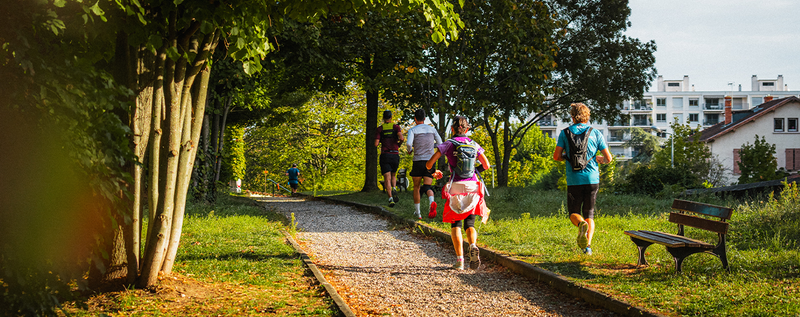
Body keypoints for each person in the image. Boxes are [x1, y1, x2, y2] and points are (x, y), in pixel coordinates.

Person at [426, 116, 491, 271]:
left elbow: (429, 163)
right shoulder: (474, 144)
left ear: (452, 129)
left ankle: (460, 261)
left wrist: (434, 171)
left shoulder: (449, 144)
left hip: (456, 185)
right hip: (473, 186)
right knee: (470, 223)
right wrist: (474, 171)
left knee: (456, 224)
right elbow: (486, 165)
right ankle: (473, 245)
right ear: (467, 130)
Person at [552, 103, 613, 255]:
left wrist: (567, 157)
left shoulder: (565, 133)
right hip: (592, 179)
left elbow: (556, 156)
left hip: (574, 180)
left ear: (572, 116)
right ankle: (588, 247)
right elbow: (608, 158)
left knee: (573, 212)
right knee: (590, 213)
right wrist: (599, 159)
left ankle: (581, 224)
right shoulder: (596, 133)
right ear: (587, 116)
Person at [406, 109, 442, 219]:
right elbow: (440, 143)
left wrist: (410, 150)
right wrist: (432, 146)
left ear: (415, 119)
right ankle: (432, 202)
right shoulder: (432, 129)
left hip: (418, 161)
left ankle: (418, 213)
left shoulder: (412, 130)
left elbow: (408, 143)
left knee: (416, 187)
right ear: (425, 118)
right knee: (427, 186)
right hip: (430, 161)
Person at [375, 110, 405, 207]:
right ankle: (395, 188)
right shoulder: (396, 127)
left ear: (383, 118)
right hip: (394, 154)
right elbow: (402, 138)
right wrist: (398, 145)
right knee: (393, 175)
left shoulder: (380, 129)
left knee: (386, 178)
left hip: (385, 155)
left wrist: (381, 142)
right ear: (391, 117)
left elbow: (375, 144)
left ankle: (390, 198)